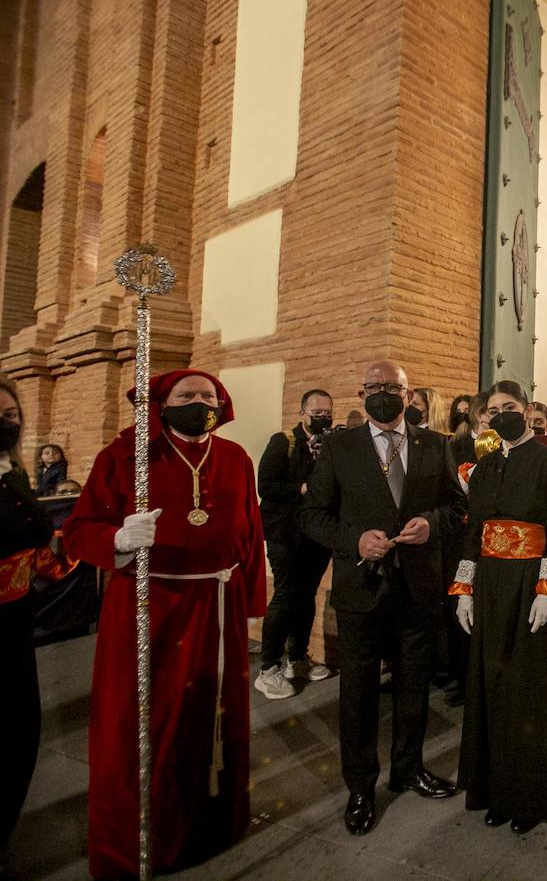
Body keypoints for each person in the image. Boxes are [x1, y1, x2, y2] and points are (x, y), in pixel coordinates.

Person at [63, 370, 267, 876]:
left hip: (218, 603)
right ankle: (138, 840)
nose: (200, 402)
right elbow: (77, 531)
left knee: (211, 719)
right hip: (148, 606)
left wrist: (251, 600)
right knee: (145, 722)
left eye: (208, 395)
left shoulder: (237, 458)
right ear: (160, 402)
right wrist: (117, 539)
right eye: (186, 395)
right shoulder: (127, 456)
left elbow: (251, 533)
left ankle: (213, 824)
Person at [299, 360, 464, 836]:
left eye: (393, 387)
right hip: (361, 585)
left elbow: (456, 505)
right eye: (374, 386)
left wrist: (431, 522)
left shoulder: (435, 444)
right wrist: (354, 542)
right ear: (361, 393)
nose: (384, 393)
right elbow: (314, 514)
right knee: (358, 690)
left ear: (409, 396)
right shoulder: (338, 446)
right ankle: (360, 784)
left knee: (415, 683)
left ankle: (408, 767)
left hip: (418, 584)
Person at [452, 381, 547, 834]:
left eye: (511, 406)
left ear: (526, 410)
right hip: (490, 584)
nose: (502, 414)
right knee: (493, 682)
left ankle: (532, 795)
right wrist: (464, 589)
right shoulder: (483, 470)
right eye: (494, 409)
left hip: (531, 584)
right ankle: (496, 790)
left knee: (530, 687)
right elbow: (474, 532)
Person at [0, 382, 70, 847]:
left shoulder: (15, 474)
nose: (7, 421)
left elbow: (38, 544)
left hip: (14, 623)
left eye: (11, 412)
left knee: (18, 733)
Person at [254, 389, 337, 699]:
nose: (322, 417)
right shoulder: (283, 442)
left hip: (316, 535)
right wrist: (303, 487)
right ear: (302, 413)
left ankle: (298, 658)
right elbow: (267, 485)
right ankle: (268, 667)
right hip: (284, 534)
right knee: (286, 594)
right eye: (316, 412)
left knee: (307, 595)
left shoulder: (330, 444)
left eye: (327, 411)